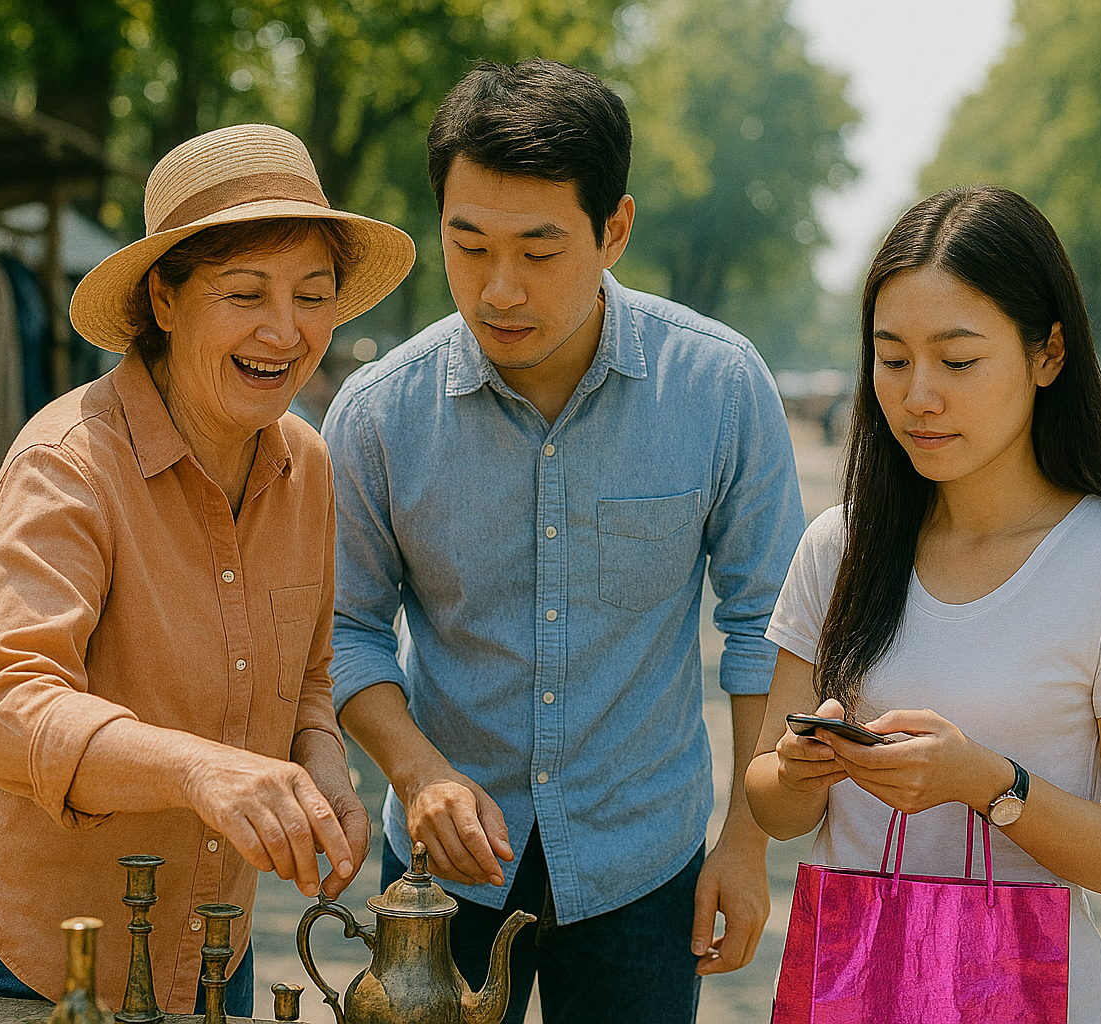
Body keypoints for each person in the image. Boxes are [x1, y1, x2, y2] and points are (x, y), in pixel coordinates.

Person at [323, 59, 805, 1024]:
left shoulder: (716, 387)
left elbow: (769, 629)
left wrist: (747, 845)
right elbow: (342, 626)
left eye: (540, 252)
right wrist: (418, 772)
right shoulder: (379, 416)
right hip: (436, 870)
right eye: (467, 247)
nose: (499, 290)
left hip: (643, 863)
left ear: (613, 230)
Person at [0, 123, 415, 1015]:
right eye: (246, 294)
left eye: (314, 295)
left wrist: (323, 768)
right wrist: (203, 770)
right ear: (165, 299)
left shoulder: (306, 466)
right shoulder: (67, 463)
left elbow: (308, 679)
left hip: (210, 947)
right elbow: (5, 706)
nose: (286, 330)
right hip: (31, 957)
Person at [745, 185, 1101, 1023]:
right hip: (849, 991)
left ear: (1048, 354)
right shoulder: (839, 548)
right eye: (892, 359)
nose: (919, 395)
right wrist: (800, 768)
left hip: (1023, 997)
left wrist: (986, 782)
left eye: (957, 362)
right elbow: (772, 804)